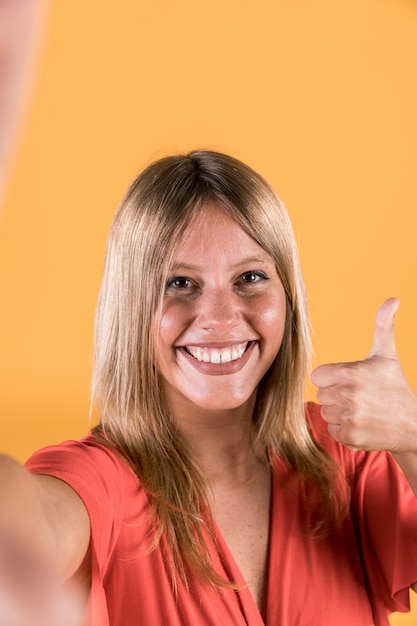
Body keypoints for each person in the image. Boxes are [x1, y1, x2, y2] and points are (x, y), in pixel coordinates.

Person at [1, 150, 417, 625]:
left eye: (250, 278)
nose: (220, 318)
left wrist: (412, 433)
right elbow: (28, 520)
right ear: (131, 308)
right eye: (180, 282)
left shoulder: (351, 454)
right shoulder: (101, 482)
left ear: (288, 296)